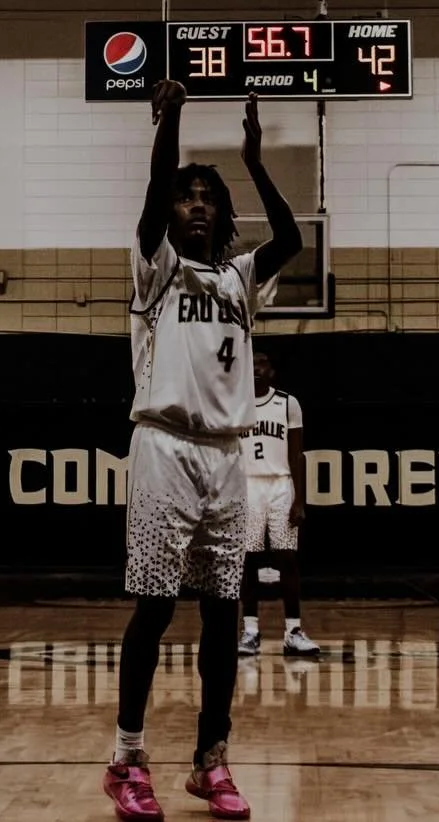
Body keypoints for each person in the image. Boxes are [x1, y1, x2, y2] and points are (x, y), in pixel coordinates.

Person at [104, 82, 303, 822]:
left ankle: (210, 760)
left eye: (206, 196)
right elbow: (154, 198)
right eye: (187, 195)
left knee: (223, 614)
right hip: (162, 446)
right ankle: (127, 757)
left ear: (221, 214)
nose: (194, 204)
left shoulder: (240, 279)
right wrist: (172, 117)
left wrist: (253, 161)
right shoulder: (156, 271)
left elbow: (291, 242)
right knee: (154, 608)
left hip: (226, 457)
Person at [238, 351, 318, 658]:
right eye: (252, 363)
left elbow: (297, 454)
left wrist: (299, 498)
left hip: (280, 485)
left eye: (263, 363)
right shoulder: (236, 404)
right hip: (248, 486)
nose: (257, 368)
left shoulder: (287, 403)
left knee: (287, 559)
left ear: (272, 371)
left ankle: (293, 631)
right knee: (248, 561)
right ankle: (250, 631)